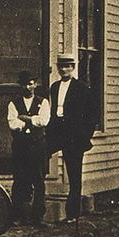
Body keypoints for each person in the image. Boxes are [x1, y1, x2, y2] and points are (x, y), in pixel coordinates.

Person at [46, 52, 99, 223]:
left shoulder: (82, 88)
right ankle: (35, 207)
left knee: (74, 174)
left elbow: (92, 115)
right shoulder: (54, 87)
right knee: (38, 156)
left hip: (74, 135)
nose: (64, 69)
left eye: (68, 66)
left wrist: (84, 134)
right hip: (57, 131)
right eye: (61, 66)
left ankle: (73, 213)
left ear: (73, 68)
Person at [6, 72, 50, 227]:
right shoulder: (14, 103)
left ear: (35, 85)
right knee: (19, 180)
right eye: (25, 84)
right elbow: (12, 123)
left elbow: (43, 120)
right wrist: (31, 121)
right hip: (21, 146)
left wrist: (25, 119)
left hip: (38, 145)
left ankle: (38, 217)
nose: (28, 87)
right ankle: (18, 215)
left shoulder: (43, 102)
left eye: (31, 84)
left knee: (38, 180)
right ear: (21, 86)